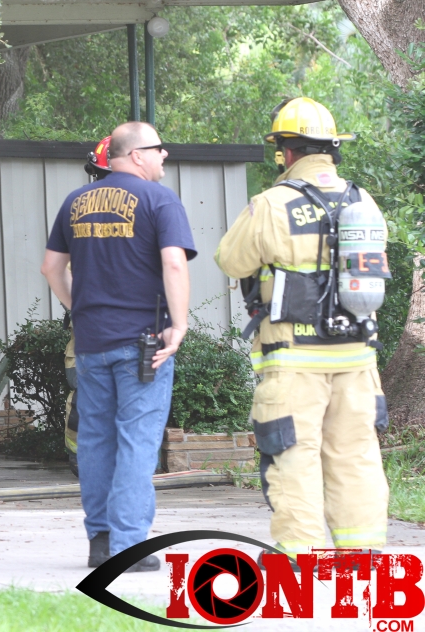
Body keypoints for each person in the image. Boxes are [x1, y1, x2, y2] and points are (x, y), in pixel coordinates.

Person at [216, 97, 389, 563]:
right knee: (356, 455)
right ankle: (362, 556)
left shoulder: (271, 204)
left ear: (286, 152)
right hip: (357, 358)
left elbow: (231, 260)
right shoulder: (362, 200)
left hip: (294, 358)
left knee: (294, 456)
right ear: (333, 148)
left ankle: (302, 558)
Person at [41, 121, 195, 573]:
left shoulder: (75, 201)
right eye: (158, 148)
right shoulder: (160, 199)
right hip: (143, 343)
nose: (165, 155)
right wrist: (179, 325)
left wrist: (79, 308)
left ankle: (101, 541)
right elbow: (173, 263)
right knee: (137, 441)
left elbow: (51, 268)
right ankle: (129, 546)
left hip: (91, 343)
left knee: (95, 440)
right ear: (136, 155)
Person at [63, 135, 114, 471]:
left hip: (125, 326)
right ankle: (79, 456)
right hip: (89, 326)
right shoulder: (80, 216)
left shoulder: (147, 213)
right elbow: (62, 268)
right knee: (83, 392)